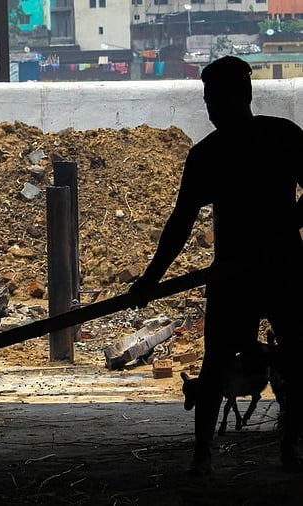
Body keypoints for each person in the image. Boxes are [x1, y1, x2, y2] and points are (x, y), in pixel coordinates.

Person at [129, 55, 303, 475]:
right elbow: (180, 223)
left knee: (248, 362)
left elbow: (180, 224)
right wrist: (149, 281)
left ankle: (214, 454)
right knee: (248, 362)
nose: (208, 106)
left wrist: (151, 280)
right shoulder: (275, 137)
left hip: (260, 272)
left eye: (212, 97)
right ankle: (253, 451)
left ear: (235, 96)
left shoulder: (222, 151)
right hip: (262, 270)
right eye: (206, 98)